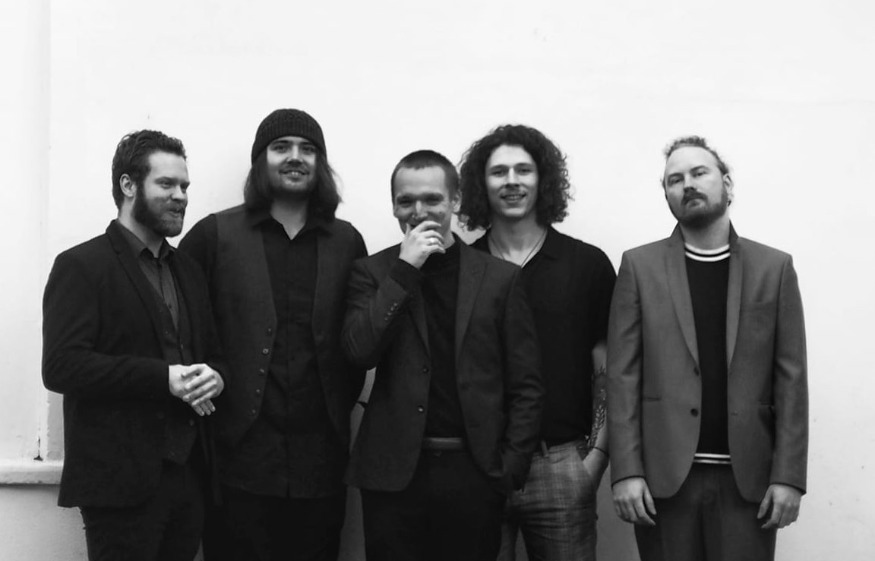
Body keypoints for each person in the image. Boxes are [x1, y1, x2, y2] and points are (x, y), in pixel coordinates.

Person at [607, 136, 808, 561]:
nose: (688, 185)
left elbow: (791, 380)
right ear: (666, 195)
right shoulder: (639, 267)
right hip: (663, 483)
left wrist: (789, 476)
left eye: (699, 173)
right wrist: (626, 471)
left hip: (748, 482)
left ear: (727, 184)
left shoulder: (774, 268)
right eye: (674, 179)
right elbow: (622, 378)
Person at [179, 108, 366, 561]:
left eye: (307, 149)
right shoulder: (213, 235)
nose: (295, 157)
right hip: (236, 464)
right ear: (260, 161)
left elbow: (357, 341)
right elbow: (182, 331)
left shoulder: (347, 242)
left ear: (320, 163)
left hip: (321, 466)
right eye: (281, 147)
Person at [342, 149, 543, 561]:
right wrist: (405, 271)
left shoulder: (500, 279)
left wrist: (509, 469)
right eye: (406, 201)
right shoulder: (372, 272)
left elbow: (526, 385)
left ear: (454, 201)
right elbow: (359, 351)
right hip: (393, 476)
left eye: (432, 199)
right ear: (393, 206)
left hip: (473, 472)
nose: (419, 212)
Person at [42, 129, 225, 561]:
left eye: (185, 186)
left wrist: (217, 377)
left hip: (191, 479)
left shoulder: (189, 270)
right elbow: (62, 366)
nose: (180, 196)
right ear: (128, 185)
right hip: (118, 485)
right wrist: (162, 378)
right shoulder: (80, 266)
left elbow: (214, 355)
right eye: (167, 184)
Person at [458, 124, 616, 561]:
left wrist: (596, 457)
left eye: (523, 170)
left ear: (543, 179)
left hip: (562, 465)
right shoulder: (463, 267)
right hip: (478, 468)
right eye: (499, 172)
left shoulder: (587, 264)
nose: (512, 181)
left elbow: (608, 366)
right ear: (480, 184)